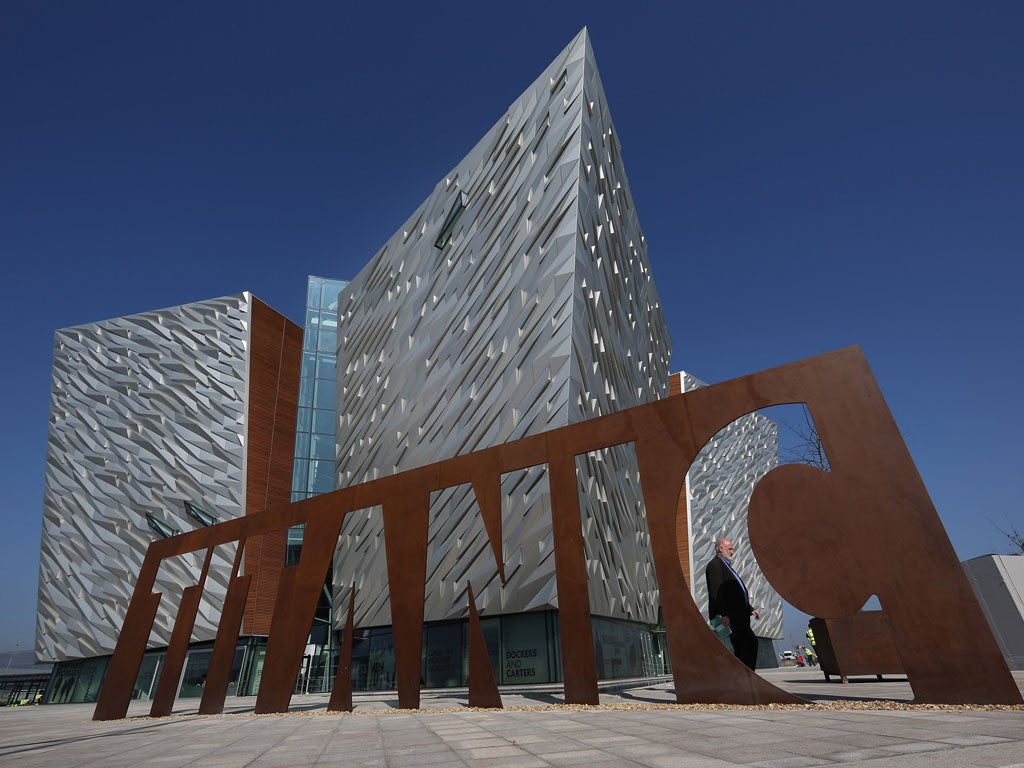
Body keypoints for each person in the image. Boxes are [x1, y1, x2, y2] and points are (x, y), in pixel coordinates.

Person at [705, 537, 760, 669]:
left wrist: (750, 609)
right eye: (730, 549)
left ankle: (741, 677)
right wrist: (724, 614)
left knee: (741, 646)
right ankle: (746, 676)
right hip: (729, 618)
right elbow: (716, 592)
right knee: (750, 643)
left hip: (736, 615)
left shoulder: (725, 566)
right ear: (720, 549)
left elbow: (735, 593)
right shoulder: (715, 566)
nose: (732, 552)